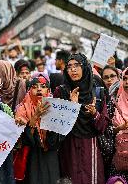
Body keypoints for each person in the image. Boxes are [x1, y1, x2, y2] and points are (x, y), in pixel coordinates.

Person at [53, 53, 109, 184]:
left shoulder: (97, 92)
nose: (73, 69)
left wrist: (94, 113)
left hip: (91, 147)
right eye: (69, 66)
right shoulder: (61, 92)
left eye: (77, 65)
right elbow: (56, 127)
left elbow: (103, 126)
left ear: (85, 68)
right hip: (69, 147)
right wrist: (72, 107)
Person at [15, 75, 62, 184]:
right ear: (29, 90)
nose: (39, 89)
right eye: (35, 87)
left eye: (43, 86)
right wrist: (35, 116)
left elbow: (59, 134)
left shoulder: (55, 107)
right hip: (31, 155)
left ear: (48, 90)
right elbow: (22, 138)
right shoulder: (22, 109)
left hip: (51, 153)